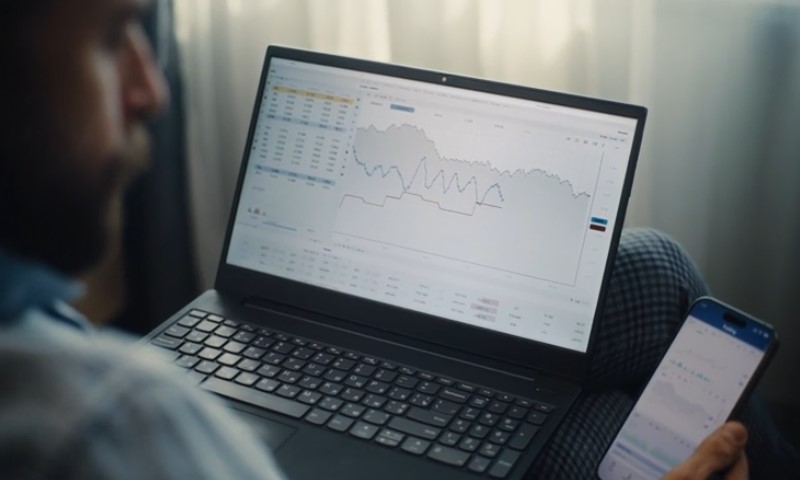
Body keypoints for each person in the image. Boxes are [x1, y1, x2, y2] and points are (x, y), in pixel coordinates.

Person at [0, 0, 790, 478]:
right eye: (109, 39)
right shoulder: (117, 427)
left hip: (262, 351)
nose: (153, 89)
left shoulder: (46, 340)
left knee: (652, 274)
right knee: (606, 397)